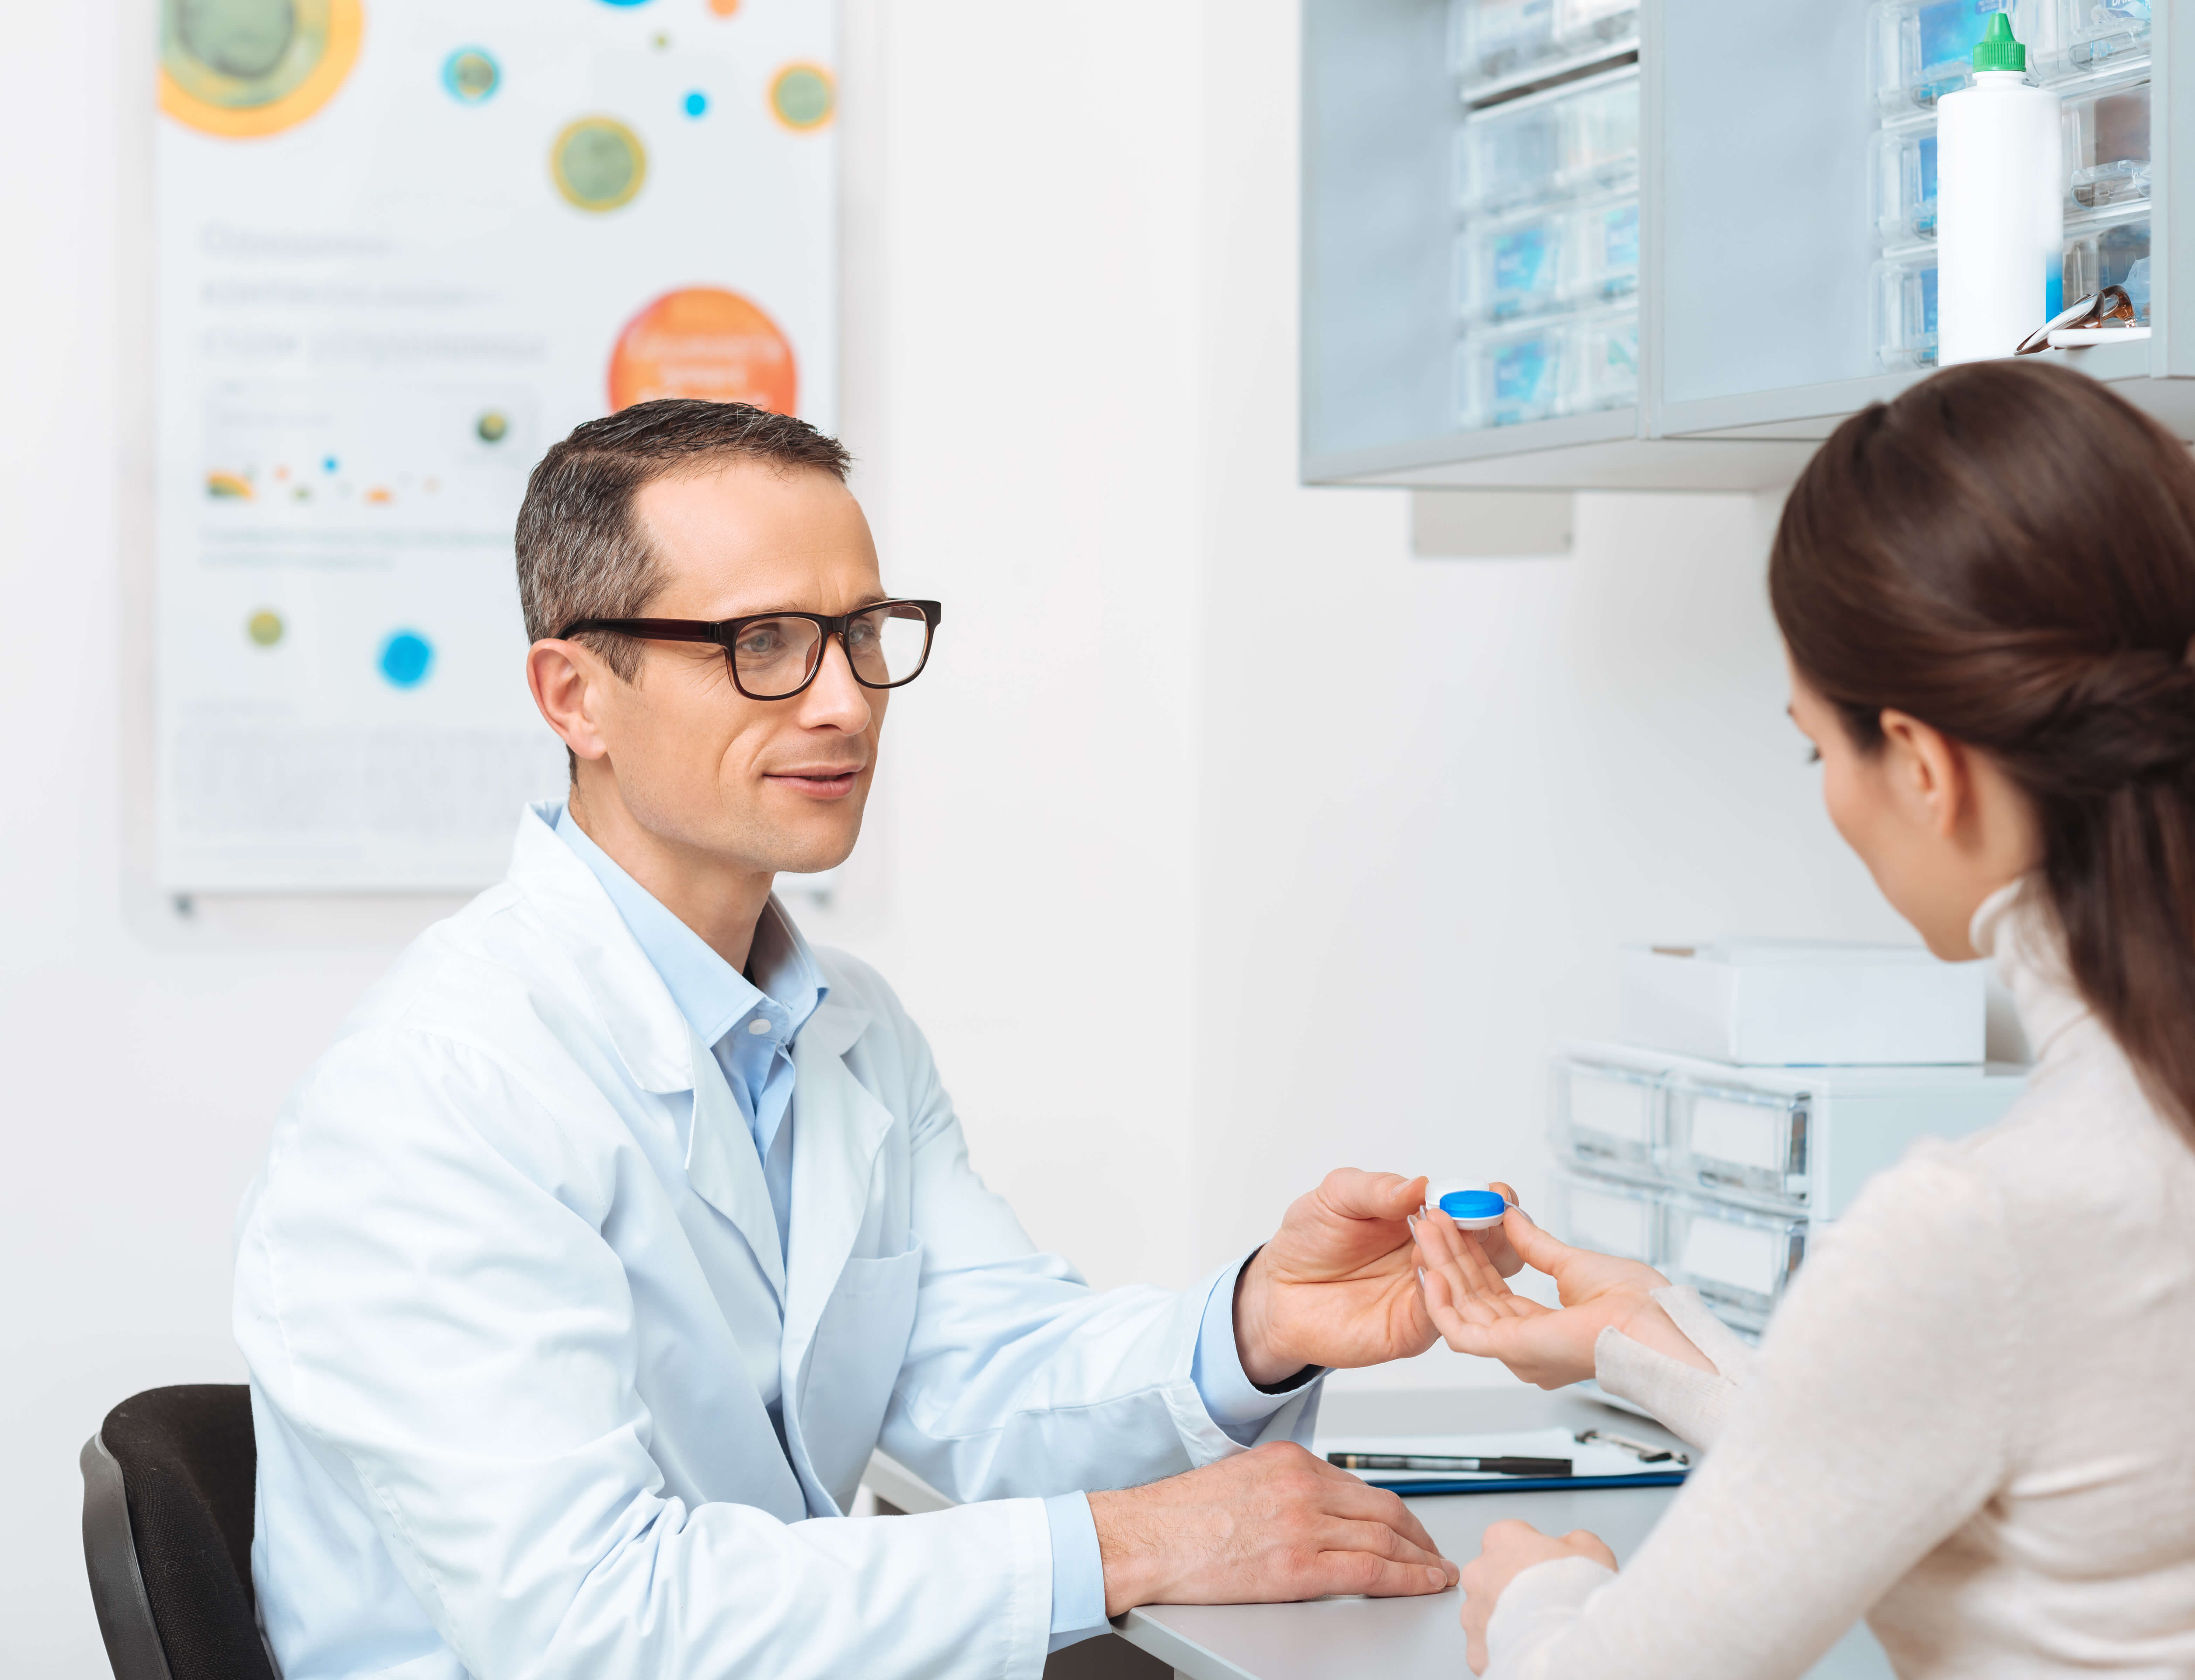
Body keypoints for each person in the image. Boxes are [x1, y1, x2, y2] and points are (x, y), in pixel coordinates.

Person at [233, 399, 1512, 1680]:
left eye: (861, 633)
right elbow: (590, 1625)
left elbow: (985, 1377)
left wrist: (1254, 1326)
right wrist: (1124, 1544)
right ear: (577, 695)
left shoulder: (843, 1028)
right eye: (765, 641)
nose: (844, 700)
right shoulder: (434, 1094)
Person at [1413, 360, 2195, 1679]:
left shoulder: (1978, 1227)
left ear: (1924, 767)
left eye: (1818, 749)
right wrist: (1644, 1334)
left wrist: (1542, 1596)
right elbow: (1985, 1437)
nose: (1828, 793)